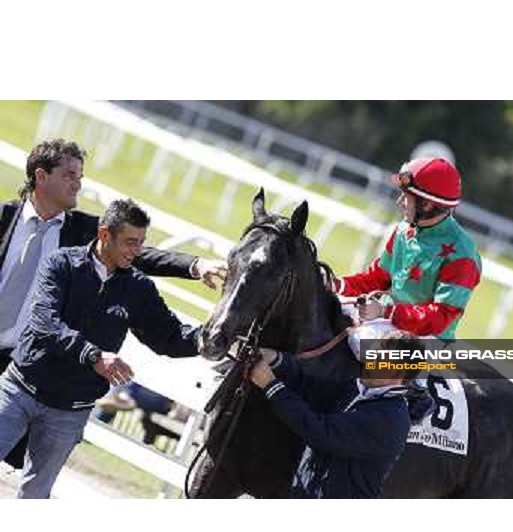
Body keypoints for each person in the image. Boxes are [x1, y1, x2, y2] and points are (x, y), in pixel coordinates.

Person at [0, 139, 226, 467]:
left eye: (80, 175)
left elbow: (142, 254)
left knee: (23, 467)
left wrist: (195, 266)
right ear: (40, 176)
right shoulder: (5, 218)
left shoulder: (85, 231)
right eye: (70, 174)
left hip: (30, 364)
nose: (79, 183)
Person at [0, 199, 203, 498]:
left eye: (142, 243)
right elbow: (45, 322)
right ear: (105, 234)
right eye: (130, 242)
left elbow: (169, 338)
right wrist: (93, 356)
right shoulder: (60, 264)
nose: (137, 250)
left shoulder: (139, 288)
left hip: (70, 411)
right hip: (19, 390)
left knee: (35, 495)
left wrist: (214, 337)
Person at [247, 331, 431, 499]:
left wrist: (271, 385)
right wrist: (277, 360)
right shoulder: (358, 388)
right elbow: (310, 388)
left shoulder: (390, 419)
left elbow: (320, 431)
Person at [334, 157, 482, 341]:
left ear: (426, 204)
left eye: (406, 197)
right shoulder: (403, 229)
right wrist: (335, 284)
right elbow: (377, 278)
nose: (399, 201)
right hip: (384, 320)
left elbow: (441, 317)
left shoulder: (462, 253)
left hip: (427, 340)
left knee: (359, 347)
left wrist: (385, 311)